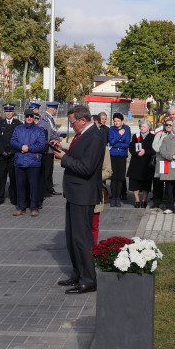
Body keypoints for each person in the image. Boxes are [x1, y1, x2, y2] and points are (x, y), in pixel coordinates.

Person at [49, 105, 103, 293]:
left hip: (84, 195)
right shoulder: (83, 135)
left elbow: (87, 168)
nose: (71, 126)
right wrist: (62, 150)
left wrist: (64, 158)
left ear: (82, 120)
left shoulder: (94, 137)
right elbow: (78, 158)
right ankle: (78, 273)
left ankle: (89, 279)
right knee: (72, 238)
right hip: (75, 193)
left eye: (72, 122)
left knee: (82, 239)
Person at [11, 111, 46, 217]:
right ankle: (21, 207)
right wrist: (21, 146)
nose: (29, 118)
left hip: (33, 162)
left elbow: (41, 145)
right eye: (27, 116)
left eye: (31, 116)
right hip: (20, 161)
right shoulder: (18, 129)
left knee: (33, 186)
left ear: (34, 117)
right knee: (20, 186)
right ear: (24, 117)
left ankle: (34, 207)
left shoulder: (39, 130)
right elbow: (13, 142)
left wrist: (28, 148)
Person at [0, 104, 21, 206]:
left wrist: (12, 151)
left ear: (13, 112)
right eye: (6, 111)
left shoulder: (18, 124)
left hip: (13, 156)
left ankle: (13, 197)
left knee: (13, 178)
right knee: (1, 178)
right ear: (4, 112)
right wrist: (2, 151)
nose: (8, 113)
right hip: (1, 156)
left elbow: (19, 139)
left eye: (10, 111)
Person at [127, 120, 156, 208]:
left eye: (144, 126)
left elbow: (154, 149)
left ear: (148, 127)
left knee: (146, 183)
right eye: (141, 126)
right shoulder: (136, 136)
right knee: (134, 182)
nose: (142, 128)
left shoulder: (153, 137)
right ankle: (137, 200)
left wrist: (145, 151)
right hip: (136, 162)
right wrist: (136, 153)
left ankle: (144, 200)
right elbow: (131, 147)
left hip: (147, 163)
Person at [107, 113, 131, 207]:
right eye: (115, 121)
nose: (116, 123)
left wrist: (117, 144)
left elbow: (127, 144)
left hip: (122, 155)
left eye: (118, 121)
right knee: (113, 177)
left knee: (120, 177)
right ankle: (113, 198)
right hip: (113, 155)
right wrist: (119, 135)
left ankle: (118, 197)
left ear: (122, 121)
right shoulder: (111, 130)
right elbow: (111, 142)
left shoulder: (127, 129)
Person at [37, 102, 59, 196]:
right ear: (52, 109)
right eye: (55, 110)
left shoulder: (49, 118)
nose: (56, 111)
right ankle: (45, 189)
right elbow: (47, 134)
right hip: (47, 149)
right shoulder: (45, 119)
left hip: (50, 148)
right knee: (46, 170)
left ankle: (49, 188)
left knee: (50, 169)